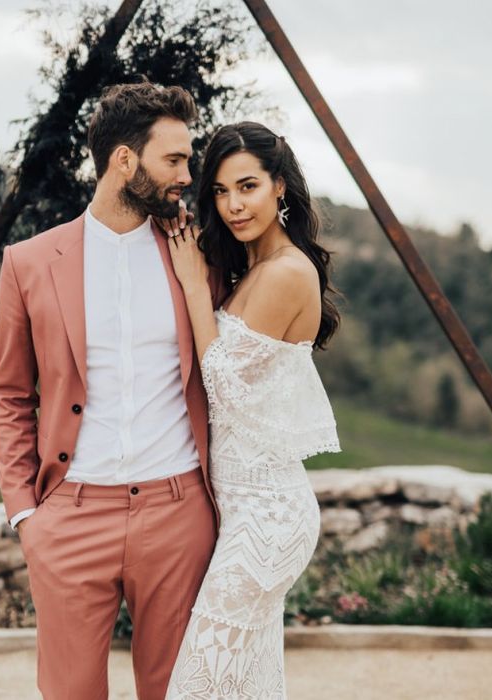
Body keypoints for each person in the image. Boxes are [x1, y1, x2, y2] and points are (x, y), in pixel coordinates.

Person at [0, 81, 228, 700]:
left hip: (178, 512)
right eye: (174, 159)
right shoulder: (29, 262)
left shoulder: (196, 253)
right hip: (69, 516)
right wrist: (25, 514)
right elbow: (11, 394)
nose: (186, 174)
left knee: (176, 691)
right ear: (125, 160)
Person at [156, 121, 342, 699]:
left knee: (198, 683)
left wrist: (191, 285)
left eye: (248, 187)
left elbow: (223, 386)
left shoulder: (287, 272)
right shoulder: (251, 271)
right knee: (248, 686)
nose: (233, 205)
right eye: (219, 190)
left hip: (268, 518)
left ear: (279, 187)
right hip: (242, 512)